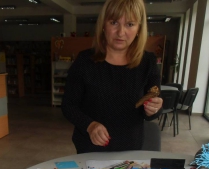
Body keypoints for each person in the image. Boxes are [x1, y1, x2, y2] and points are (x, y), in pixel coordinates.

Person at [61, 0, 163, 154]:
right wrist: (90, 125)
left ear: (139, 29)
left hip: (130, 150)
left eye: (130, 24)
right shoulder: (85, 61)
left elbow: (151, 112)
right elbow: (69, 105)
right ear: (103, 25)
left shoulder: (148, 62)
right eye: (114, 22)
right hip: (90, 149)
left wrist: (154, 108)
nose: (121, 32)